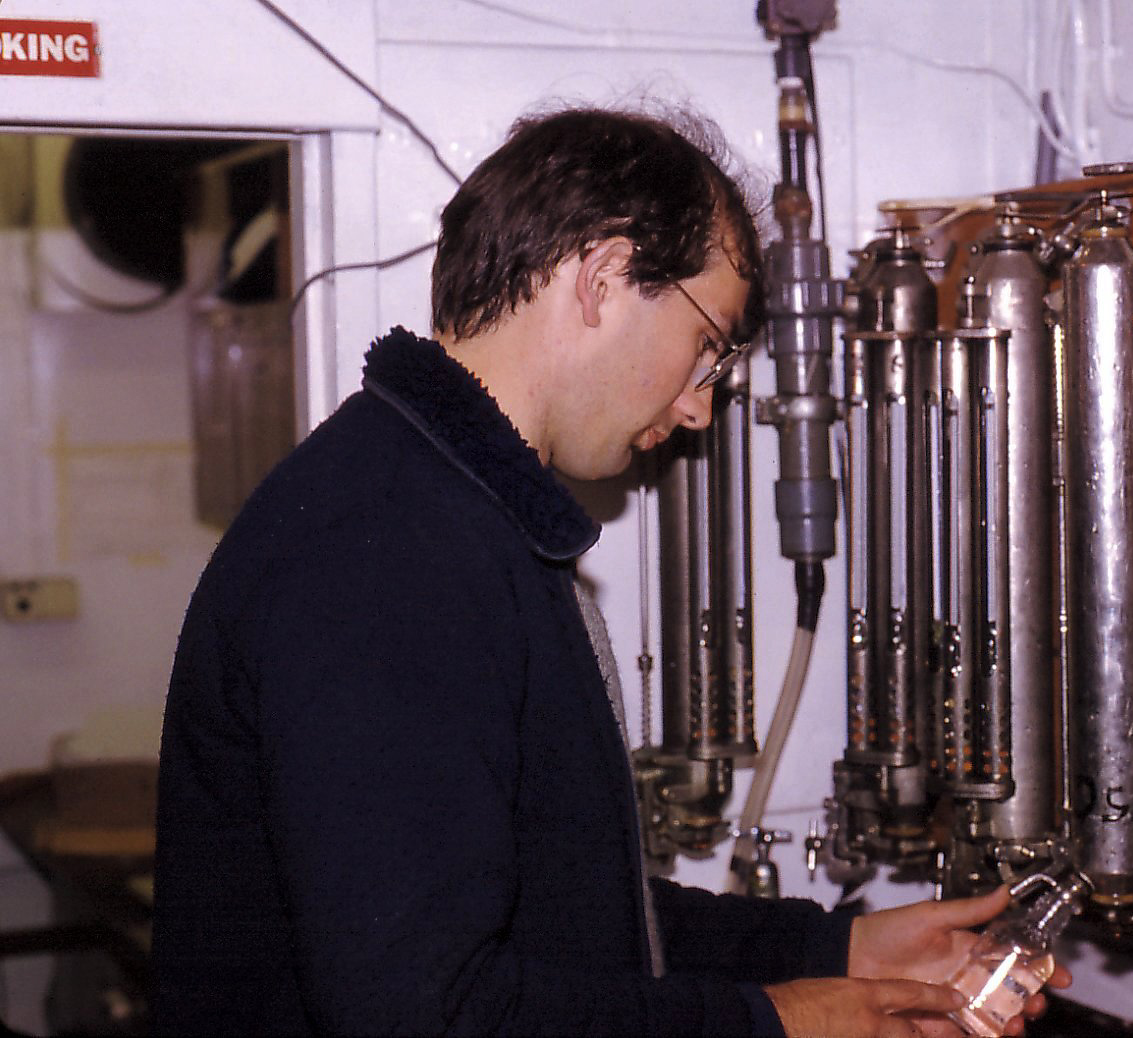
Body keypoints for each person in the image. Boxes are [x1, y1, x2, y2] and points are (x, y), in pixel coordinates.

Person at [152, 103, 1065, 1036]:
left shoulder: (447, 509)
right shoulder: (387, 551)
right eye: (709, 344)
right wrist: (776, 1025)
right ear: (602, 277)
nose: (704, 405)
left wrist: (835, 953)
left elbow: (550, 919)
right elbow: (425, 1012)